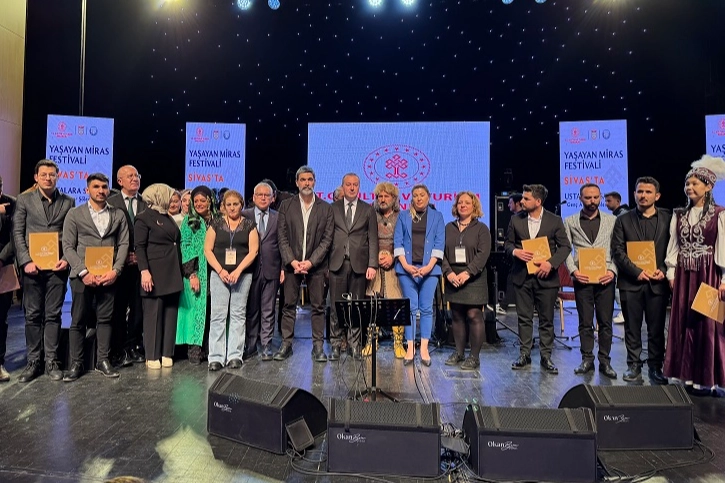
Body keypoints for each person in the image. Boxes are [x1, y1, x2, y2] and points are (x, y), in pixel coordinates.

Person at [664, 155, 725, 396]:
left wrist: (723, 280)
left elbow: (723, 248)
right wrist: (671, 272)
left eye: (695, 184)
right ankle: (687, 376)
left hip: (708, 274)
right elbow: (674, 245)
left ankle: (707, 379)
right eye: (687, 184)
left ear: (708, 187)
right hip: (683, 275)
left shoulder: (719, 214)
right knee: (683, 322)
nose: (689, 187)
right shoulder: (679, 214)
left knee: (707, 325)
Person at [13, 159, 75, 383]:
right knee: (32, 315)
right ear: (36, 177)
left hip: (57, 268)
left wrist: (66, 259)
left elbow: (71, 235)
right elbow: (18, 233)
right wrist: (26, 261)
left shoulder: (68, 201)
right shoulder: (24, 200)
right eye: (44, 175)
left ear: (58, 176)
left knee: (53, 315)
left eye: (52, 175)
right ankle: (33, 361)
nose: (48, 178)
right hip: (32, 268)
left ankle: (51, 361)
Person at [61, 173, 128, 381]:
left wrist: (115, 271)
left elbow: (123, 244)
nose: (101, 190)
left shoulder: (118, 214)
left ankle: (102, 360)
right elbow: (68, 246)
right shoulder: (74, 213)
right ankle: (76, 363)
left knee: (105, 319)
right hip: (82, 277)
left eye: (104, 187)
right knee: (78, 320)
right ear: (87, 190)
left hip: (108, 276)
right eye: (96, 187)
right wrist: (83, 272)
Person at [505, 184, 571, 375]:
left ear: (538, 201)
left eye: (526, 199)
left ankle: (546, 356)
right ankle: (524, 354)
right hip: (522, 276)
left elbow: (565, 247)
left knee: (546, 319)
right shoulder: (516, 220)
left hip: (546, 278)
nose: (522, 201)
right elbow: (508, 244)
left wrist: (551, 263)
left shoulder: (554, 220)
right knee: (524, 318)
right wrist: (515, 251)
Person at [612, 177, 671, 385]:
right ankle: (633, 365)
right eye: (639, 192)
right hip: (631, 282)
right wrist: (636, 271)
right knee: (632, 328)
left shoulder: (668, 218)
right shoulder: (622, 220)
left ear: (657, 196)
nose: (643, 195)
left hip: (657, 282)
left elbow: (673, 249)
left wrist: (663, 270)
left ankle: (656, 366)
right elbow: (617, 251)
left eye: (648, 192)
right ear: (634, 194)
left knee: (657, 329)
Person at [276, 166, 334, 361]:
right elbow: (282, 237)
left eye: (310, 179)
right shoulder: (286, 206)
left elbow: (327, 240)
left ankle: (318, 347)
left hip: (316, 266)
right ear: (297, 182)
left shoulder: (325, 208)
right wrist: (292, 261)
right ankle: (286, 345)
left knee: (318, 307)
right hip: (291, 265)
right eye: (303, 179)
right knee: (288, 305)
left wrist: (310, 262)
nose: (306, 183)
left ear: (314, 182)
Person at [563, 183, 618, 379]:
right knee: (585, 322)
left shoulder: (612, 221)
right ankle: (587, 359)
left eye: (595, 197)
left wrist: (612, 271)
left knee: (605, 322)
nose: (592, 201)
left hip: (605, 278)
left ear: (600, 197)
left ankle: (605, 361)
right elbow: (565, 249)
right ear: (580, 198)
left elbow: (618, 249)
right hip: (583, 278)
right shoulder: (570, 221)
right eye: (588, 197)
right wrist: (574, 271)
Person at [204, 190, 258, 371]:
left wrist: (238, 271)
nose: (232, 208)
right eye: (229, 204)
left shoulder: (249, 225)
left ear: (241, 205)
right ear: (224, 207)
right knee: (218, 316)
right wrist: (220, 271)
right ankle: (216, 357)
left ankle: (235, 355)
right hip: (219, 275)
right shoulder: (215, 224)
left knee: (238, 314)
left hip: (242, 275)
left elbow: (253, 251)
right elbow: (207, 250)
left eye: (236, 204)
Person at [328, 173, 378, 361]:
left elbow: (373, 239)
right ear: (343, 186)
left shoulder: (368, 209)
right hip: (337, 263)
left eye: (355, 184)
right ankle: (335, 344)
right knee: (336, 307)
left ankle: (354, 345)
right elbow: (327, 237)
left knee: (356, 307)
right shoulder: (332, 208)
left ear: (359, 187)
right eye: (348, 184)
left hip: (359, 264)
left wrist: (372, 264)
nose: (351, 187)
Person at [394, 184, 445, 366]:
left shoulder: (437, 217)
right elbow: (398, 242)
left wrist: (428, 266)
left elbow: (439, 243)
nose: (418, 198)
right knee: (409, 308)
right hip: (406, 269)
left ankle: (424, 347)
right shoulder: (403, 216)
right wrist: (406, 266)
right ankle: (410, 347)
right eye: (415, 195)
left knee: (426, 308)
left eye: (422, 195)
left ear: (428, 197)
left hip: (429, 270)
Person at [135, 183, 184, 370]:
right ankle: (152, 354)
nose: (172, 199)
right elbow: (140, 247)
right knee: (153, 314)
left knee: (170, 314)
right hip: (154, 272)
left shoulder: (167, 216)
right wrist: (144, 271)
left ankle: (166, 352)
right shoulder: (143, 218)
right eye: (169, 195)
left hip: (172, 271)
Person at [442, 191, 492, 371]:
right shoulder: (448, 228)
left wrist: (467, 273)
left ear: (474, 206)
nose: (463, 205)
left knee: (473, 315)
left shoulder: (482, 229)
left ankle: (474, 357)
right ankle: (459, 353)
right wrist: (448, 273)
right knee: (456, 315)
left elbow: (483, 254)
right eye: (460, 203)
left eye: (467, 203)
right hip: (453, 277)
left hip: (474, 277)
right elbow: (440, 252)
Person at [107, 165, 146, 366]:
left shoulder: (146, 203)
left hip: (140, 266)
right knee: (118, 309)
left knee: (138, 309)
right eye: (130, 176)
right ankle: (118, 349)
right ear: (119, 181)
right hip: (117, 265)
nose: (134, 178)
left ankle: (134, 346)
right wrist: (120, 256)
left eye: (136, 175)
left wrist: (141, 256)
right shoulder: (110, 203)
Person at [242, 182, 283, 362]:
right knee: (252, 310)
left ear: (272, 198)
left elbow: (283, 244)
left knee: (268, 309)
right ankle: (251, 344)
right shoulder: (245, 216)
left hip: (271, 269)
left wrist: (283, 268)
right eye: (260, 195)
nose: (263, 198)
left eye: (267, 195)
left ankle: (266, 344)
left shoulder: (278, 217)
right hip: (249, 270)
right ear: (254, 197)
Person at [177, 185, 217, 365]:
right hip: (196, 272)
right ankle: (194, 351)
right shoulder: (189, 221)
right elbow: (184, 246)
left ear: (210, 201)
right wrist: (191, 274)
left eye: (203, 200)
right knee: (196, 312)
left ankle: (210, 350)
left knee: (211, 311)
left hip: (215, 271)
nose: (199, 204)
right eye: (196, 201)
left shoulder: (218, 220)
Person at [366, 182, 405, 358]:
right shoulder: (371, 215)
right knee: (373, 303)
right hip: (374, 265)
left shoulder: (401, 217)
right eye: (379, 196)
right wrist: (375, 258)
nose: (382, 199)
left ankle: (398, 343)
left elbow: (406, 241)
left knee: (396, 304)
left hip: (394, 266)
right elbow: (365, 239)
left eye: (386, 196)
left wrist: (392, 256)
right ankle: (371, 342)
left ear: (394, 198)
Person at [0, 175, 16, 382]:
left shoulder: (12, 203)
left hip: (3, 266)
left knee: (1, 318)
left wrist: (1, 258)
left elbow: (15, 236)